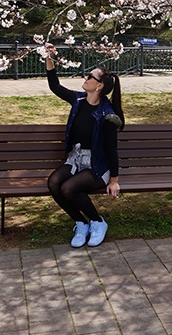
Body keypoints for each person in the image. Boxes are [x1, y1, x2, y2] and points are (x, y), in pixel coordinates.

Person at [45, 53, 124, 248]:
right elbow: (55, 86)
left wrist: (114, 180)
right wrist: (50, 58)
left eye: (90, 77)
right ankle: (81, 223)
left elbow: (112, 149)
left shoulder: (107, 115)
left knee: (69, 188)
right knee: (54, 183)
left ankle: (97, 222)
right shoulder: (78, 100)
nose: (85, 78)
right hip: (76, 159)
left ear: (99, 86)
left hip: (98, 165)